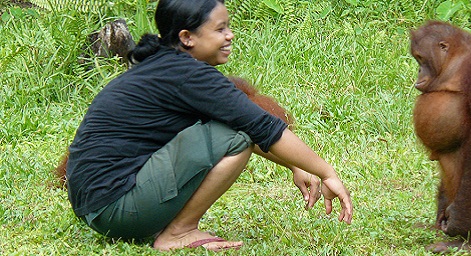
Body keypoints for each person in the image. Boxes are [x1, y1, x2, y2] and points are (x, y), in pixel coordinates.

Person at [65, 0, 353, 251]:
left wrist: (294, 165)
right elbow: (259, 126)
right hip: (116, 208)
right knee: (236, 135)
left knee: (234, 128)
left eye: (228, 27)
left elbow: (250, 125)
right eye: (219, 29)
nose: (230, 36)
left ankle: (170, 225)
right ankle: (178, 233)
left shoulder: (166, 65)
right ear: (187, 37)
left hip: (98, 206)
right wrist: (326, 172)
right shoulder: (189, 74)